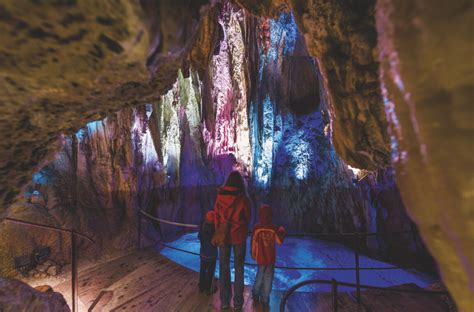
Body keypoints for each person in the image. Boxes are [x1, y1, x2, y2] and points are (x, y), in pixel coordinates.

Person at [214, 171, 251, 310]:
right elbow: (247, 217)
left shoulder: (220, 197)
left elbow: (217, 217)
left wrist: (219, 231)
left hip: (223, 236)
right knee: (239, 268)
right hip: (239, 236)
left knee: (224, 267)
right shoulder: (243, 198)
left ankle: (224, 301)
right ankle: (238, 303)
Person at [251, 204, 286, 307]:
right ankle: (265, 298)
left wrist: (253, 254)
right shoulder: (273, 228)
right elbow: (279, 241)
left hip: (260, 257)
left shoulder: (256, 227)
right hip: (270, 258)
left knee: (259, 276)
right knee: (268, 278)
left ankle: (255, 295)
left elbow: (253, 242)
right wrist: (282, 232)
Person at [198, 211, 218, 294]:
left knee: (202, 270)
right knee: (210, 272)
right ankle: (208, 288)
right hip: (212, 256)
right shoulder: (214, 230)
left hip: (203, 254)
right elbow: (216, 242)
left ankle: (201, 286)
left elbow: (199, 237)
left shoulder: (202, 227)